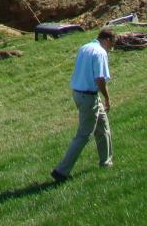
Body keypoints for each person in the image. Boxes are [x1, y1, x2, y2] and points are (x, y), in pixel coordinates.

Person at [52, 28, 116, 182]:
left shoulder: (85, 47)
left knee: (103, 127)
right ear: (107, 40)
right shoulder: (100, 53)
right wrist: (107, 98)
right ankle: (61, 171)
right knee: (84, 135)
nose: (111, 48)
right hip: (89, 97)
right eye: (112, 44)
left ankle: (106, 162)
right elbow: (100, 79)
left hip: (79, 94)